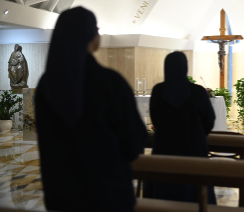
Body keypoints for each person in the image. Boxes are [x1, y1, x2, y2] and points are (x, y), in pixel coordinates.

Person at [35, 7, 146, 212]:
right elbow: (134, 142)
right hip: (107, 196)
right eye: (97, 29)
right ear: (91, 37)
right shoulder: (111, 83)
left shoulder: (45, 87)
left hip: (61, 197)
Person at [143, 51, 216, 204]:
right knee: (193, 191)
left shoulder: (158, 90)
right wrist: (196, 134)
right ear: (185, 67)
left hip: (164, 148)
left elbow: (155, 118)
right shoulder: (197, 92)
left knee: (163, 190)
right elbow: (209, 120)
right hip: (193, 149)